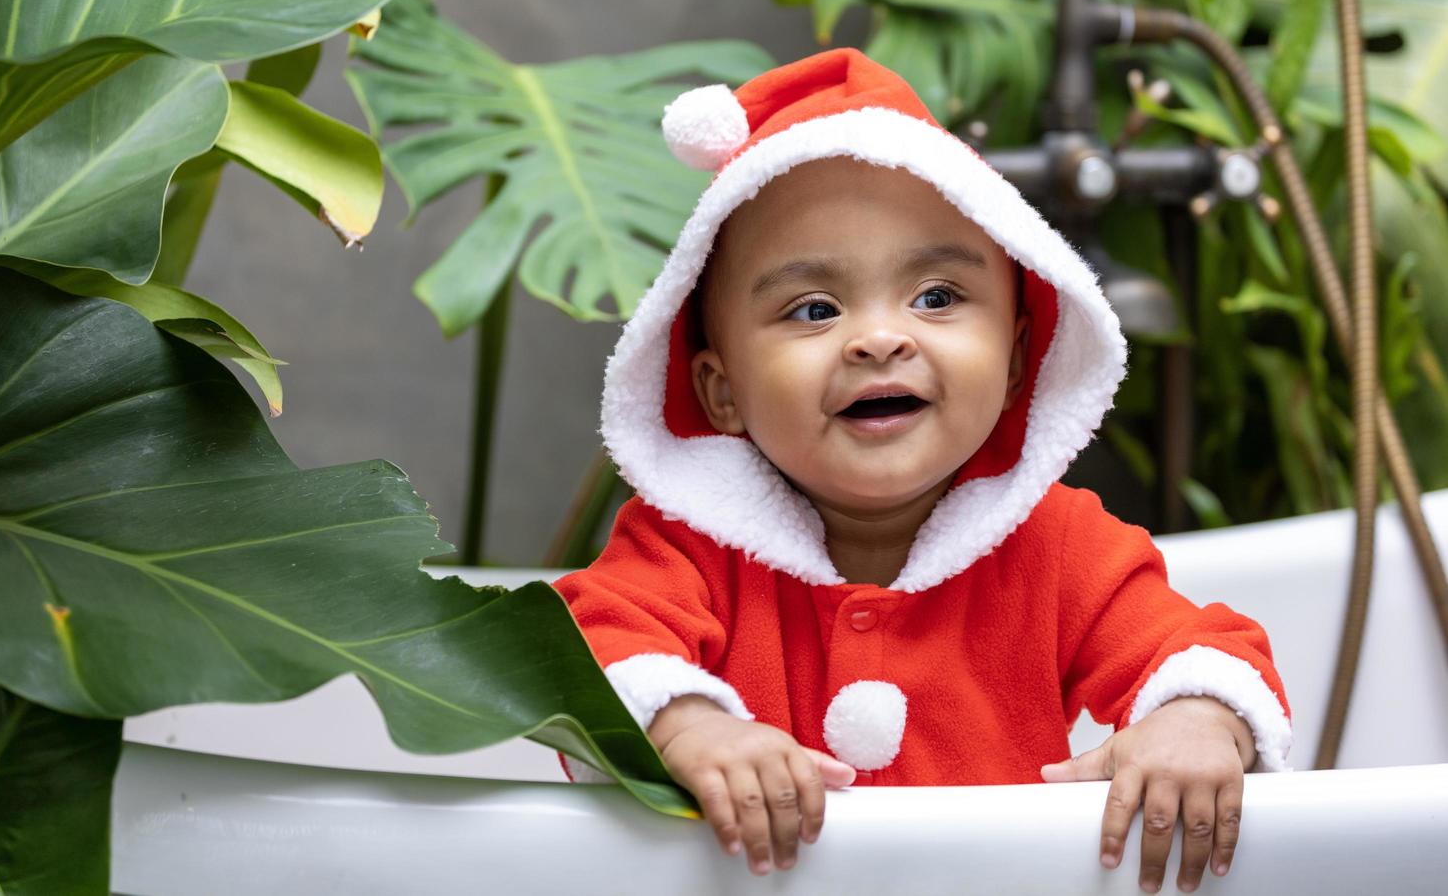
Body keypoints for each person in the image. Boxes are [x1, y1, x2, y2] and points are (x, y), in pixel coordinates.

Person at [549, 48, 1291, 894]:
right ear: (719, 391)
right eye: (815, 309)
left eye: (936, 297)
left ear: (1016, 359)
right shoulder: (686, 549)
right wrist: (686, 727)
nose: (878, 338)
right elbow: (591, 653)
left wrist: (1195, 719)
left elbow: (1199, 649)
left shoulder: (1057, 548)